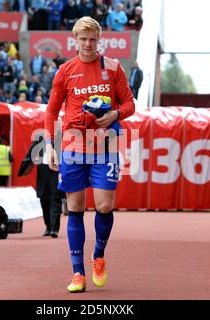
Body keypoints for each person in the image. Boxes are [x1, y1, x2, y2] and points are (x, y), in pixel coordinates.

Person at [44, 17, 135, 292]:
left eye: (92, 39)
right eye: (82, 39)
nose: (87, 44)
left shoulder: (112, 67)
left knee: (105, 206)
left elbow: (130, 103)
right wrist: (50, 144)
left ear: (99, 39)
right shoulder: (65, 71)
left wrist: (115, 114)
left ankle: (98, 256)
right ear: (75, 40)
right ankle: (77, 273)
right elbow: (51, 111)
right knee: (75, 208)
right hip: (73, 146)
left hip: (105, 145)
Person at [34, 135, 63, 238]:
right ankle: (48, 226)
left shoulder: (60, 139)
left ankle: (54, 229)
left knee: (55, 200)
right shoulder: (40, 139)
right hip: (42, 173)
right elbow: (31, 154)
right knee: (44, 201)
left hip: (55, 171)